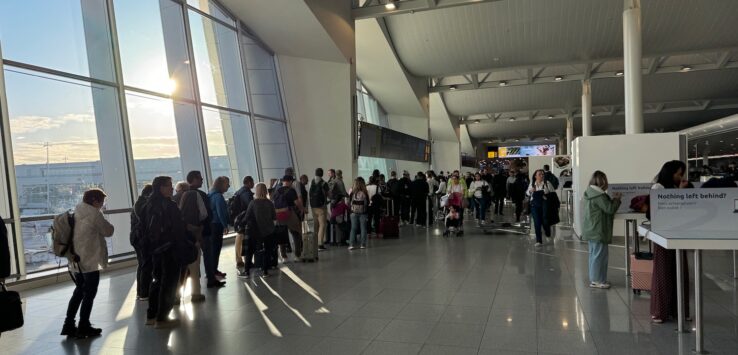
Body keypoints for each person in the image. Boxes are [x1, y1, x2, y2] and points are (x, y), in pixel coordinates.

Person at [61, 188, 114, 338]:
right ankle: (84, 325)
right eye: (101, 202)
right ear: (94, 201)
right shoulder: (94, 214)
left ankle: (69, 324)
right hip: (90, 260)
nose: (102, 205)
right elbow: (108, 231)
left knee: (78, 292)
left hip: (75, 261)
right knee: (89, 294)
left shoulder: (74, 211)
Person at [143, 176, 187, 328]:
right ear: (161, 187)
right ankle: (162, 318)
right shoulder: (168, 205)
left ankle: (152, 315)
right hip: (170, 248)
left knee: (157, 281)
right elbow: (176, 228)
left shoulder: (148, 204)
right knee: (169, 283)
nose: (171, 188)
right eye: (168, 185)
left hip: (156, 249)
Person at [650, 160, 690, 324]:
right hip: (663, 235)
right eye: (678, 173)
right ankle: (660, 311)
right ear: (670, 173)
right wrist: (679, 193)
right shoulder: (658, 188)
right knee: (663, 273)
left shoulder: (675, 187)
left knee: (679, 272)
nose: (681, 177)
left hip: (679, 234)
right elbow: (662, 211)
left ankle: (679, 310)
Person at [582, 171, 621, 289]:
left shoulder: (590, 193)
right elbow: (609, 209)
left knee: (594, 255)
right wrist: (617, 200)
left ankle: (596, 278)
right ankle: (597, 280)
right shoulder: (598, 196)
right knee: (599, 256)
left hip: (591, 229)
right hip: (599, 229)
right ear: (602, 181)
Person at [185, 171, 223, 288]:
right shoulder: (200, 194)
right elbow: (206, 213)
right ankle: (211, 278)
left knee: (192, 258)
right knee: (208, 254)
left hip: (188, 232)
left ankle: (194, 281)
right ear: (194, 179)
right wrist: (203, 227)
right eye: (200, 178)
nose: (202, 180)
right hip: (203, 230)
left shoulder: (183, 194)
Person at [173, 181, 208, 302]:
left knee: (179, 268)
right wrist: (197, 227)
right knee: (194, 265)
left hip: (177, 239)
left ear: (177, 190)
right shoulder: (194, 195)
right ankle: (196, 293)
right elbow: (203, 214)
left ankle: (176, 295)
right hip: (193, 235)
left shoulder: (171, 200)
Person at [240, 183, 276, 278]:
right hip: (268, 230)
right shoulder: (270, 203)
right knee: (267, 251)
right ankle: (265, 271)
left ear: (257, 191)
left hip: (254, 231)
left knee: (250, 251)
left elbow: (247, 217)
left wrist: (240, 223)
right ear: (265, 191)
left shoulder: (253, 203)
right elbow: (274, 216)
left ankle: (246, 272)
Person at [272, 175, 303, 262]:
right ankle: (297, 255)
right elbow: (297, 203)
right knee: (296, 233)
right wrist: (301, 209)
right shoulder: (291, 190)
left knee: (282, 235)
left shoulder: (277, 191)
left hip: (279, 215)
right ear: (289, 181)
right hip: (290, 213)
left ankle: (284, 257)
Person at [131, 185, 153, 301]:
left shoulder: (138, 203)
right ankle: (144, 292)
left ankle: (141, 292)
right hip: (142, 239)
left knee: (142, 264)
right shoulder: (144, 204)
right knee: (146, 265)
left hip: (137, 238)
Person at [208, 176, 230, 280]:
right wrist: (225, 225)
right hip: (217, 225)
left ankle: (213, 270)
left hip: (212, 225)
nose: (228, 186)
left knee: (213, 249)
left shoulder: (211, 195)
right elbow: (221, 212)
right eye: (227, 184)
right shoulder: (218, 197)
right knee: (216, 249)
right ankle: (214, 271)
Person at [232, 176, 255, 272]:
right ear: (249, 182)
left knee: (239, 239)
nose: (253, 184)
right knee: (244, 241)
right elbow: (250, 205)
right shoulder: (246, 192)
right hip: (244, 219)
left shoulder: (239, 191)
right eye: (252, 182)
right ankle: (245, 261)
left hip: (238, 219)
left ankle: (239, 260)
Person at [528, 169, 555, 245]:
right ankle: (539, 240)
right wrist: (530, 191)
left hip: (544, 205)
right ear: (535, 176)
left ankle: (547, 233)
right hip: (534, 205)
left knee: (545, 221)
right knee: (537, 222)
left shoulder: (547, 183)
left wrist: (547, 195)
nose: (542, 175)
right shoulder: (532, 184)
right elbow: (527, 193)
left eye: (543, 174)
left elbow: (553, 195)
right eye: (539, 174)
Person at [309, 168, 330, 252]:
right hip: (321, 207)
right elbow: (329, 194)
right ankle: (320, 244)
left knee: (315, 225)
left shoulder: (311, 181)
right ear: (322, 174)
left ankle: (314, 243)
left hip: (313, 206)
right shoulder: (324, 183)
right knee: (322, 225)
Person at [348, 177, 369, 250]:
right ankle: (363, 244)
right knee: (363, 228)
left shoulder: (352, 193)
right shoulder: (365, 192)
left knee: (353, 228)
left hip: (353, 213)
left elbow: (349, 203)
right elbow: (368, 203)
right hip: (363, 212)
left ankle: (351, 244)